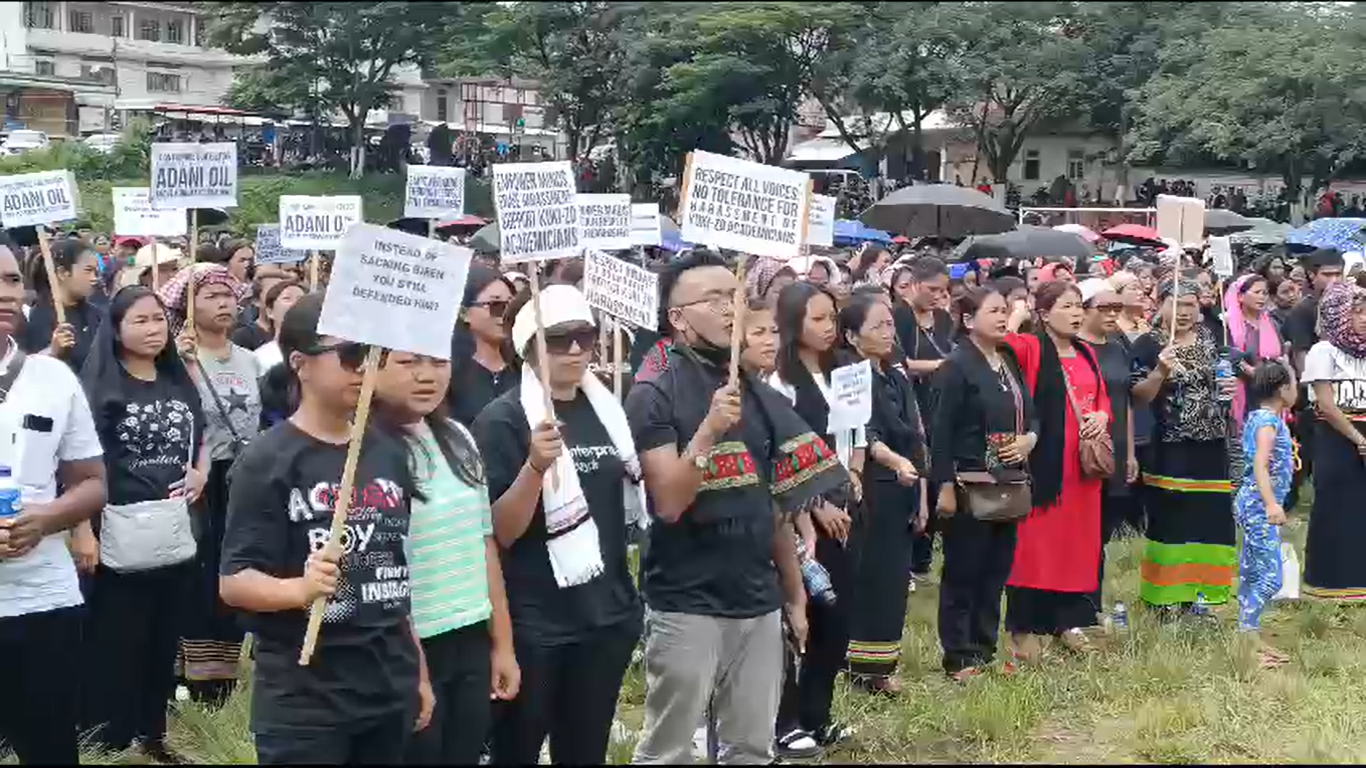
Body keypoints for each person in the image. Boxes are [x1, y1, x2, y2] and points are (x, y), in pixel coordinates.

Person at [626, 250, 846, 765]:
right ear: (677, 318)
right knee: (670, 749)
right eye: (715, 299)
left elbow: (770, 505)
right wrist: (708, 432)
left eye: (736, 297)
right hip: (686, 602)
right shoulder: (654, 392)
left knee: (750, 746)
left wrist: (791, 594)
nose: (731, 310)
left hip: (757, 598)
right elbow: (670, 502)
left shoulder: (754, 392)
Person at [219, 293, 433, 764]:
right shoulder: (266, 460)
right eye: (351, 354)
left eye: (373, 355)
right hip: (307, 697)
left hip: (387, 682)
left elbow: (394, 574)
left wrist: (417, 671)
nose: (364, 369)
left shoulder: (389, 450)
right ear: (301, 364)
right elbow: (235, 582)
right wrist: (300, 588)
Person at [472, 285, 643, 764]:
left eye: (584, 337)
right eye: (558, 339)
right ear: (530, 347)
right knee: (517, 750)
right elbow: (499, 531)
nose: (574, 350)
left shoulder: (607, 410)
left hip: (603, 615)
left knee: (585, 752)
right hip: (536, 621)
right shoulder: (503, 420)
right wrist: (534, 469)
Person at [79, 286, 208, 759]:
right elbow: (78, 462)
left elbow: (202, 434)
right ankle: (111, 738)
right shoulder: (98, 388)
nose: (155, 329)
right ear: (115, 329)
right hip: (115, 529)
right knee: (118, 639)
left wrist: (201, 471)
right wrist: (81, 530)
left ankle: (154, 733)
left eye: (159, 319)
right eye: (141, 321)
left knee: (162, 636)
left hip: (173, 529)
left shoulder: (177, 378)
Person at [373, 348, 519, 765]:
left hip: (469, 633)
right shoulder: (365, 453)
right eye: (408, 363)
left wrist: (502, 644)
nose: (426, 375)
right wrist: (416, 670)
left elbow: (483, 540)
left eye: (437, 362)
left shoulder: (457, 436)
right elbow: (382, 570)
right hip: (408, 643)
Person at [0, 231, 106, 765]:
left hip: (42, 600)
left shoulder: (52, 378)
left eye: (11, 279)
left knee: (49, 748)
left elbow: (92, 482)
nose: (4, 293)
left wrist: (48, 518)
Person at [155, 263, 264, 704]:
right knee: (198, 576)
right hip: (201, 482)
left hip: (245, 480)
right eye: (210, 296)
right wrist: (181, 364)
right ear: (187, 304)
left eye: (227, 295)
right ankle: (191, 675)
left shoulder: (251, 360)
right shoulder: (177, 361)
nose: (223, 304)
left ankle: (225, 676)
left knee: (236, 570)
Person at [767, 282, 863, 755]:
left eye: (832, 318)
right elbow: (779, 459)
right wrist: (815, 504)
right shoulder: (778, 383)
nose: (830, 328)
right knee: (799, 615)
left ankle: (816, 716)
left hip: (846, 506)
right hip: (801, 515)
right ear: (792, 324)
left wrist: (857, 471)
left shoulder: (844, 369)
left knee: (838, 618)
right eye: (818, 319)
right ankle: (783, 722)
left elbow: (858, 431)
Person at [930, 287, 1036, 682]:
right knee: (964, 570)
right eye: (993, 310)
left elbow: (1033, 414)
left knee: (996, 570)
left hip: (1009, 481)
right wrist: (941, 484)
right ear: (969, 320)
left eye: (1005, 309)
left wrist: (1029, 439)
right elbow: (939, 433)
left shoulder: (1007, 360)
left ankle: (985, 647)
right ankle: (959, 655)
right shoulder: (956, 366)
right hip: (969, 483)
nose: (1002, 316)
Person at [1002, 281, 1109, 662]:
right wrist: (1017, 315)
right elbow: (1003, 343)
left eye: (1080, 306)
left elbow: (1101, 400)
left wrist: (1099, 415)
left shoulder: (1085, 352)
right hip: (1046, 467)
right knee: (1035, 549)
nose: (1077, 313)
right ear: (1043, 313)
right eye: (1067, 306)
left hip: (1081, 471)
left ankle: (1067, 623)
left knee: (1075, 548)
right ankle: (1024, 628)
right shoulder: (1032, 347)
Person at [1130, 277, 1237, 615]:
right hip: (1170, 446)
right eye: (1176, 303)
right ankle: (1163, 599)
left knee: (1210, 521)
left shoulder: (1213, 338)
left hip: (1213, 444)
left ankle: (1202, 596)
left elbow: (1223, 380)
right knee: (1172, 521)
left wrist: (1230, 386)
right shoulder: (1149, 344)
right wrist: (1161, 371)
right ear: (1160, 305)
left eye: (1191, 304)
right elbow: (1137, 396)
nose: (1184, 311)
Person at [840, 293, 927, 693]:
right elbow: (865, 436)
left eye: (890, 324)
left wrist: (922, 492)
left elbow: (916, 436)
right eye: (877, 326)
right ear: (852, 336)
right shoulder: (850, 377)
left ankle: (882, 666)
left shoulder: (896, 375)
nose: (888, 332)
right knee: (870, 579)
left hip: (904, 490)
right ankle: (858, 667)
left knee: (895, 581)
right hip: (871, 487)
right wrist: (894, 463)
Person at [1301, 282, 1366, 600]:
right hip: (1336, 436)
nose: (1365, 318)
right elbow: (1326, 404)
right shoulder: (1323, 351)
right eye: (1358, 311)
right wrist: (1358, 439)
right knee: (1336, 507)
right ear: (1339, 315)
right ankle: (1329, 584)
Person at [1076, 279, 1140, 598]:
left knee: (1102, 532)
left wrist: (1129, 452)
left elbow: (1125, 398)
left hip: (1114, 446)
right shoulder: (1072, 347)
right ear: (1084, 309)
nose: (1114, 314)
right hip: (1083, 449)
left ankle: (1093, 599)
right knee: (1079, 533)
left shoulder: (1118, 346)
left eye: (1118, 307)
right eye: (1105, 308)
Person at [891, 257, 953, 583]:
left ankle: (925, 558)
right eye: (931, 289)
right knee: (915, 473)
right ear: (913, 285)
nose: (937, 296)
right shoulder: (897, 316)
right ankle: (909, 557)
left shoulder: (943, 319)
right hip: (908, 405)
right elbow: (900, 363)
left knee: (938, 472)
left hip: (939, 404)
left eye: (943, 290)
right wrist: (941, 366)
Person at [1234, 362, 1295, 666]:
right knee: (1271, 577)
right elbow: (1260, 464)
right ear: (1283, 389)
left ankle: (1249, 636)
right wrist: (1271, 503)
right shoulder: (1268, 422)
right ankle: (1247, 636)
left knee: (1252, 571)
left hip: (1253, 504)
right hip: (1259, 506)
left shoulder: (1263, 418)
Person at [449, 265, 520, 427]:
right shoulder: (447, 373)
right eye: (496, 306)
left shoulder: (526, 368)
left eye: (511, 306)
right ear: (464, 312)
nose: (505, 315)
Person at [20, 236, 102, 372]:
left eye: (96, 271)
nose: (94, 278)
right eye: (88, 270)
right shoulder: (35, 318)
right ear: (63, 273)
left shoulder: (98, 315)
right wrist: (53, 352)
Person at [1223, 274, 1283, 427]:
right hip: (1239, 386)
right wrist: (1252, 372)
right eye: (1257, 292)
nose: (1262, 297)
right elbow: (1226, 354)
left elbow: (1281, 355)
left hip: (1268, 388)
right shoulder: (1227, 324)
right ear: (1241, 296)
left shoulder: (1272, 323)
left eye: (1265, 293)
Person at [253, 279, 307, 371]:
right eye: (287, 298)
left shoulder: (316, 353)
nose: (295, 303)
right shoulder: (259, 358)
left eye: (300, 299)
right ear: (270, 311)